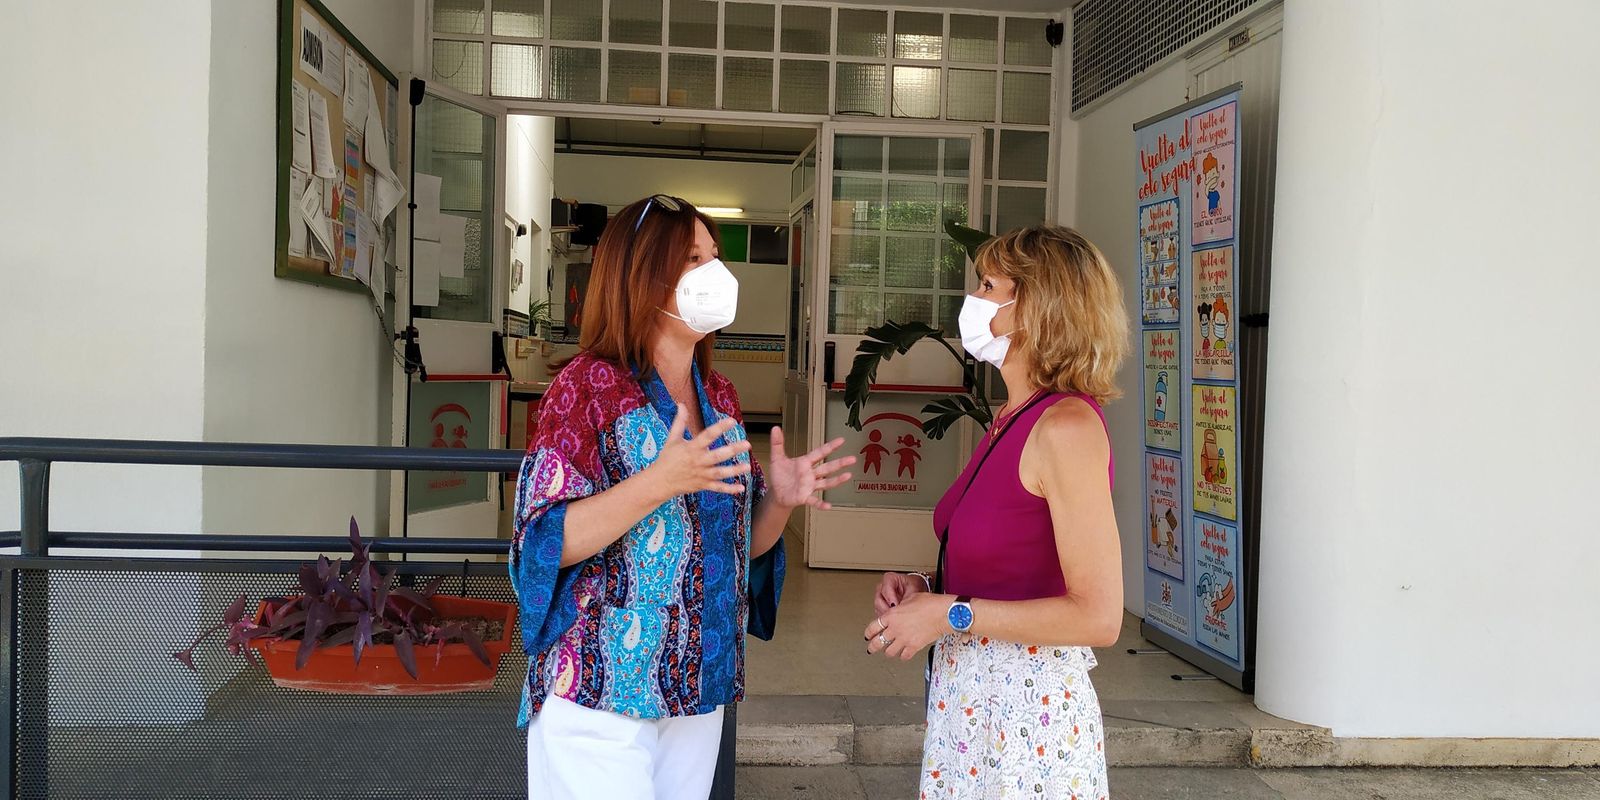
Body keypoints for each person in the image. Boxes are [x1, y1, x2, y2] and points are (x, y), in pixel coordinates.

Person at [511, 194, 856, 799]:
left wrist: (778, 499)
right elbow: (543, 543)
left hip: (697, 683)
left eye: (715, 256)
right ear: (641, 277)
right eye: (693, 258)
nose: (716, 273)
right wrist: (658, 482)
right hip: (601, 686)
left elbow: (735, 546)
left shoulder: (717, 393)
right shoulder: (586, 386)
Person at [865, 225, 1128, 800]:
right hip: (970, 706)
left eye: (989, 285)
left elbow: (1099, 616)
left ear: (1040, 306)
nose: (974, 300)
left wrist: (951, 615)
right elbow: (1011, 563)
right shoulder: (1010, 418)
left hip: (1028, 723)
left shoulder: (1067, 427)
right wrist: (923, 589)